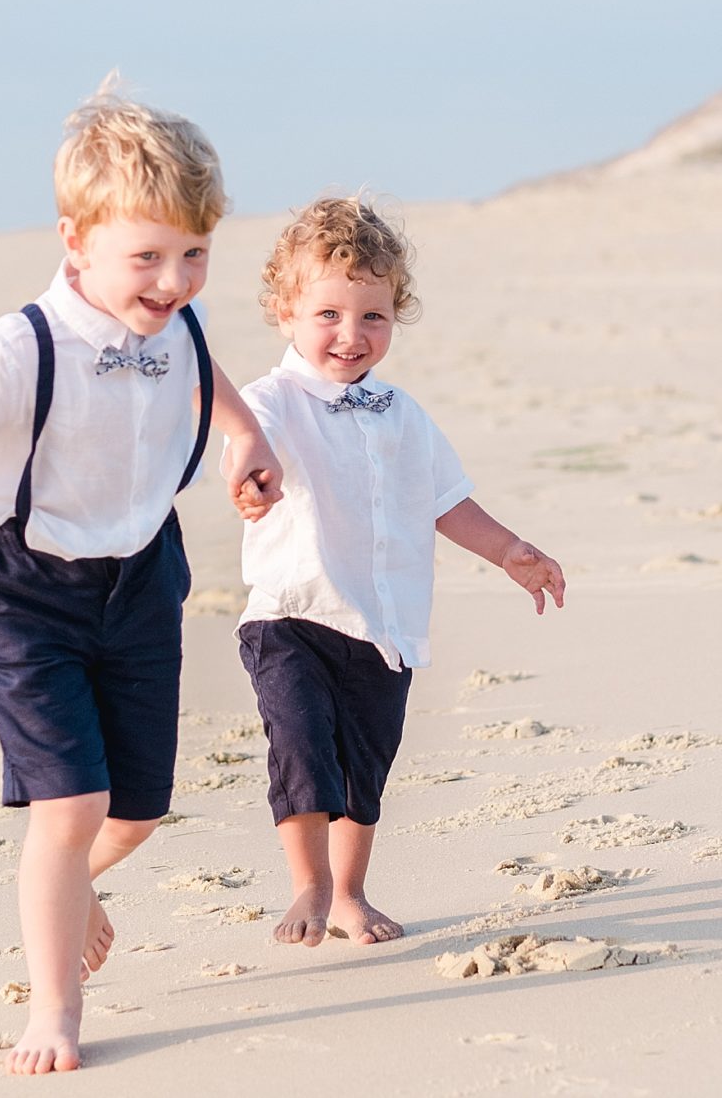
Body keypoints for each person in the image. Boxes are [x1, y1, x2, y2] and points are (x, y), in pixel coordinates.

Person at [0, 80, 281, 1075]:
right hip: (28, 593)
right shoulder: (11, 351)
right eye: (147, 257)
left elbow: (206, 375)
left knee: (137, 810)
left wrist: (243, 440)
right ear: (74, 239)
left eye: (193, 253)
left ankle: (65, 881)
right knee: (68, 810)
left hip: (143, 576)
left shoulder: (176, 327)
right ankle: (54, 1008)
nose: (173, 280)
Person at [228, 194, 564, 947]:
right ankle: (309, 885)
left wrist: (511, 552)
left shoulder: (402, 413)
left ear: (395, 316)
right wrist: (249, 473)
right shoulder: (272, 401)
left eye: (373, 317)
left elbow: (446, 501)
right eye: (328, 315)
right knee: (303, 745)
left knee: (365, 770)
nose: (351, 335)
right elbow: (248, 441)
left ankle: (349, 892)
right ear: (285, 313)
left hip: (385, 627)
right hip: (293, 614)